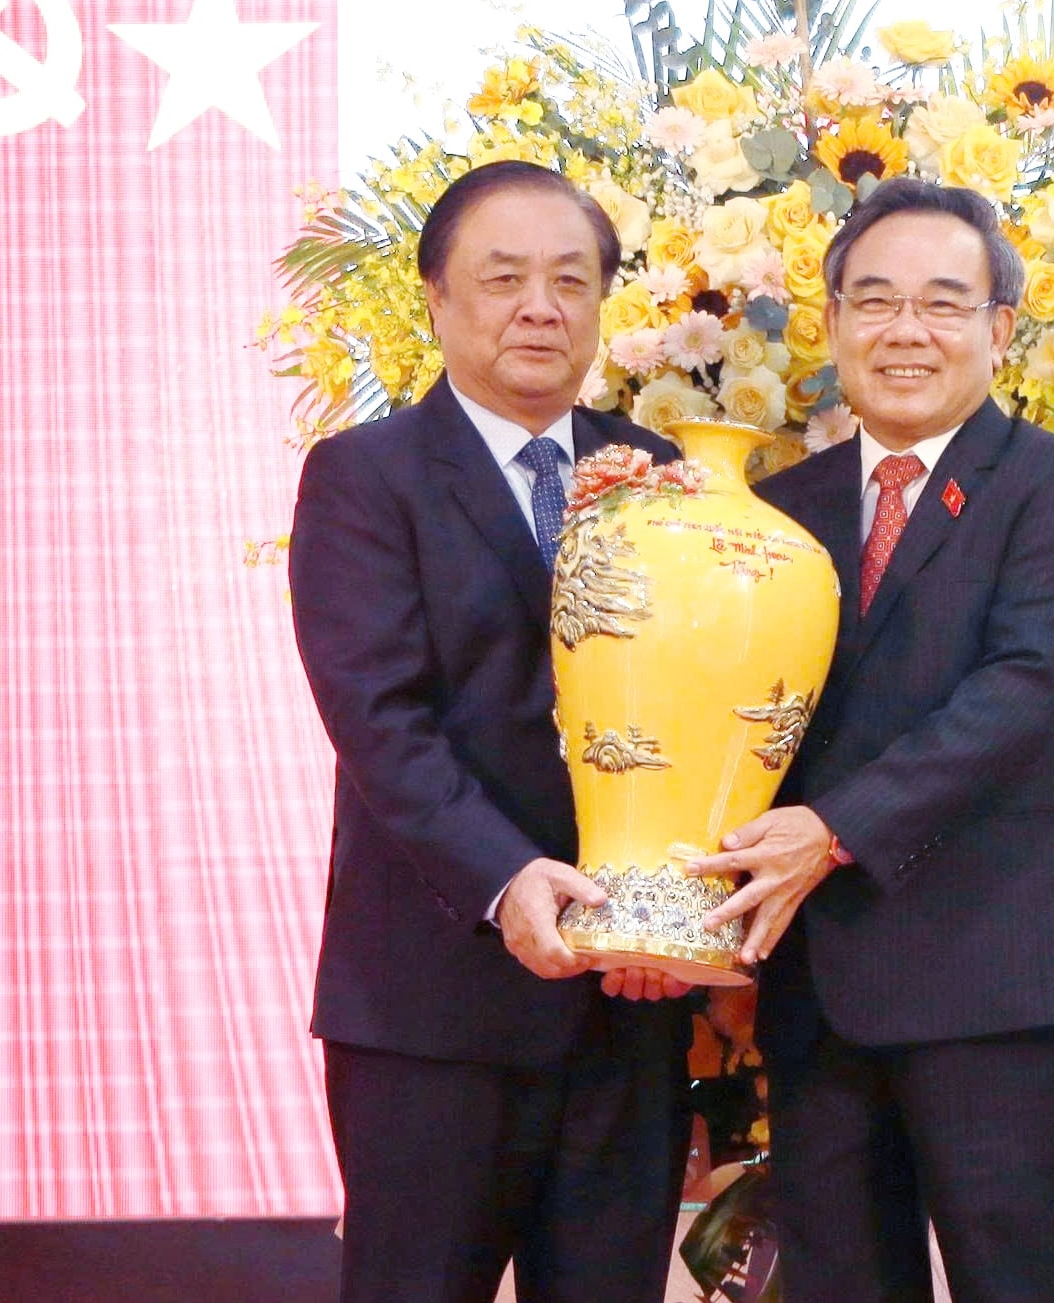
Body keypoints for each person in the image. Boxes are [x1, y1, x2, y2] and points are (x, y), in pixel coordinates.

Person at [687, 179, 1054, 1302]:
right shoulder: (774, 508)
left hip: (999, 986)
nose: (905, 330)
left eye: (942, 302)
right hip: (820, 994)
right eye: (875, 300)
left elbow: (1020, 696)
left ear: (1000, 327)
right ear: (834, 320)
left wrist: (833, 830)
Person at [288, 160, 693, 1303]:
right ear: (436, 297)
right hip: (435, 1001)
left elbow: (702, 713)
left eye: (570, 280)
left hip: (627, 994)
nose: (539, 307)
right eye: (504, 278)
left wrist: (671, 909)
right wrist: (507, 876)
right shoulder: (365, 477)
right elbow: (379, 718)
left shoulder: (663, 477)